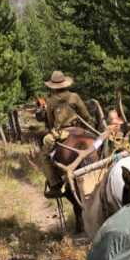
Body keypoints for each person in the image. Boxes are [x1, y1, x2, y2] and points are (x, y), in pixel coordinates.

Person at [39, 70, 94, 198]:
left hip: (61, 133)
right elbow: (85, 116)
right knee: (97, 143)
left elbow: (51, 122)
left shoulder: (51, 101)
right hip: (79, 128)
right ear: (65, 83)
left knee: (44, 156)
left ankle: (55, 184)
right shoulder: (74, 96)